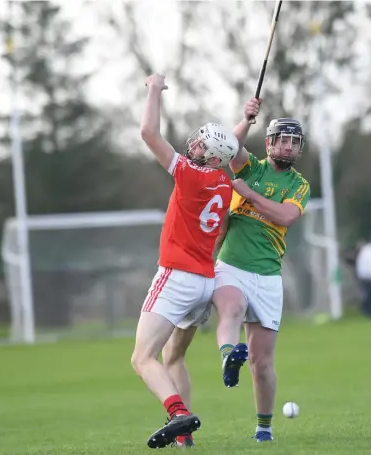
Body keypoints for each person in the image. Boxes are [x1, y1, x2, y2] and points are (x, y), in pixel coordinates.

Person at [131, 74, 239, 449]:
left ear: (211, 157)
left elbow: (148, 132)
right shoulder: (225, 182)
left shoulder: (189, 175)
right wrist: (240, 125)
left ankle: (178, 413)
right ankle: (185, 437)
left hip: (176, 276)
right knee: (172, 354)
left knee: (142, 358)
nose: (192, 145)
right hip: (205, 282)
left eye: (200, 144)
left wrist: (154, 91)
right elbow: (227, 151)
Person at [212, 98, 310, 442]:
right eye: (282, 139)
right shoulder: (250, 166)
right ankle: (228, 355)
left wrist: (249, 196)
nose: (288, 146)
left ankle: (264, 428)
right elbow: (226, 149)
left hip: (268, 275)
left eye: (294, 142)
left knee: (262, 363)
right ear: (269, 143)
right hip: (232, 265)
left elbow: (285, 217)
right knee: (232, 308)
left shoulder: (299, 185)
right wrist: (246, 119)